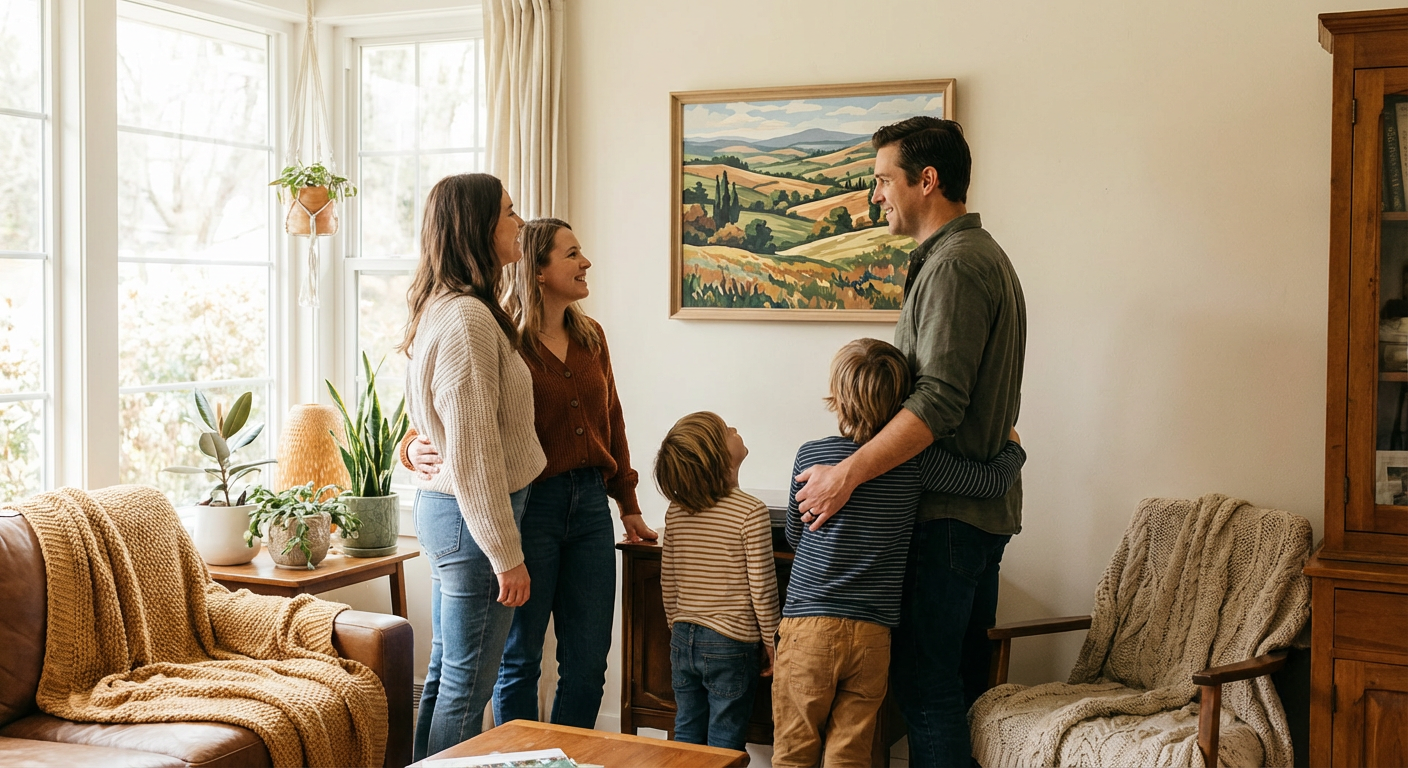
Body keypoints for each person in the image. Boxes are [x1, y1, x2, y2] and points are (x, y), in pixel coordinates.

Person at [792, 117, 1027, 767]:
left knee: (927, 693)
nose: (874, 196)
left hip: (949, 525)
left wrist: (848, 474)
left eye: (881, 181)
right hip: (977, 515)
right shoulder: (975, 258)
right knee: (957, 690)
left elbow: (938, 403)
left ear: (927, 181)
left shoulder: (956, 265)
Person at [402, 218, 658, 729]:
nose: (585, 262)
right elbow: (430, 411)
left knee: (587, 664)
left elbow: (613, 419)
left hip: (589, 508)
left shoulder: (591, 336)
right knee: (516, 662)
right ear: (539, 271)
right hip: (526, 507)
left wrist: (627, 504)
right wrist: (411, 451)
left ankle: (568, 760)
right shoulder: (499, 335)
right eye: (572, 253)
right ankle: (518, 761)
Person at [773, 339, 1026, 768]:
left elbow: (796, 537)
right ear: (907, 403)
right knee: (850, 754)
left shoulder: (811, 455)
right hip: (873, 636)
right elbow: (987, 484)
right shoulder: (916, 462)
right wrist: (1013, 448)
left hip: (809, 628)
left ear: (836, 396)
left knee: (794, 752)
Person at [400, 173, 546, 761]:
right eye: (510, 213)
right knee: (466, 687)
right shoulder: (466, 322)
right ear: (480, 229)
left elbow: (442, 424)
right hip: (473, 522)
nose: (519, 223)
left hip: (454, 517)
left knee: (445, 677)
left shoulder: (453, 310)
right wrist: (505, 554)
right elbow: (476, 453)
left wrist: (412, 448)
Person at [654, 411, 780, 751]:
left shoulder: (676, 511)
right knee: (725, 739)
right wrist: (772, 641)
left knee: (687, 734)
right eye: (727, 430)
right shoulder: (750, 512)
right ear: (718, 457)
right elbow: (763, 588)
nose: (735, 429)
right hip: (730, 643)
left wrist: (678, 626)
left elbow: (669, 581)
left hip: (683, 636)